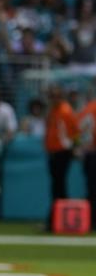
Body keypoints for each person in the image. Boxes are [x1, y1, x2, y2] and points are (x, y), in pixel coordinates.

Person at [44, 86, 79, 231]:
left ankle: (58, 220)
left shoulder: (65, 111)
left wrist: (73, 148)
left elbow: (75, 132)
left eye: (56, 96)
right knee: (57, 187)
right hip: (54, 152)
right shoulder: (53, 111)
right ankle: (58, 220)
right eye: (51, 96)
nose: (53, 99)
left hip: (62, 153)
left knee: (59, 187)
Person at [79, 93, 96, 230]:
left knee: (91, 189)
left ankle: (91, 220)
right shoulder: (90, 109)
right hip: (92, 152)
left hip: (89, 153)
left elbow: (79, 130)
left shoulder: (87, 109)